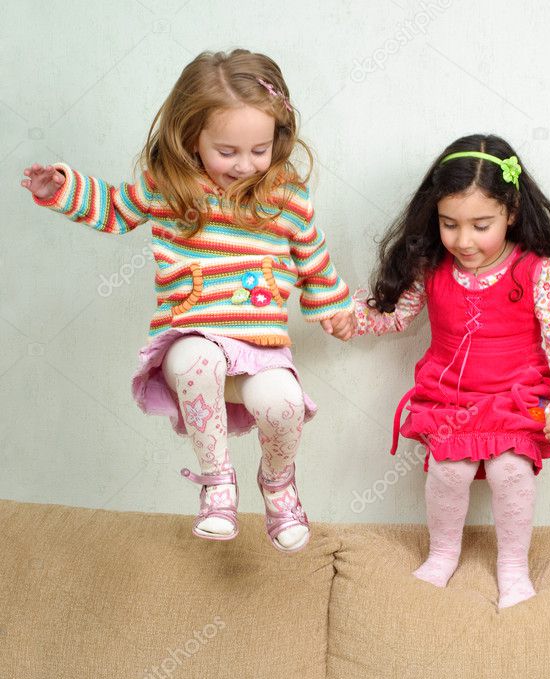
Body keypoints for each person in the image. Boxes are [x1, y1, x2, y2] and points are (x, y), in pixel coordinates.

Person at [22, 48, 354, 550]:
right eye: (227, 151)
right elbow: (115, 209)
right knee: (198, 358)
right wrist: (63, 191)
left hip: (259, 344)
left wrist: (333, 307)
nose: (245, 165)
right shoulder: (170, 186)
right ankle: (217, 482)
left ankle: (279, 484)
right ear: (189, 136)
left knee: (283, 404)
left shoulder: (287, 195)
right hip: (191, 330)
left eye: (259, 150)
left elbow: (313, 257)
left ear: (277, 138)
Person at [351, 134, 550, 608]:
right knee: (448, 471)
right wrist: (349, 317)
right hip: (451, 400)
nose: (463, 240)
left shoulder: (537, 271)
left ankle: (512, 565)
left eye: (480, 225)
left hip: (517, 400)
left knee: (511, 470)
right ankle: (443, 553)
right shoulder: (432, 268)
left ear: (511, 212)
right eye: (449, 224)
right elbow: (397, 314)